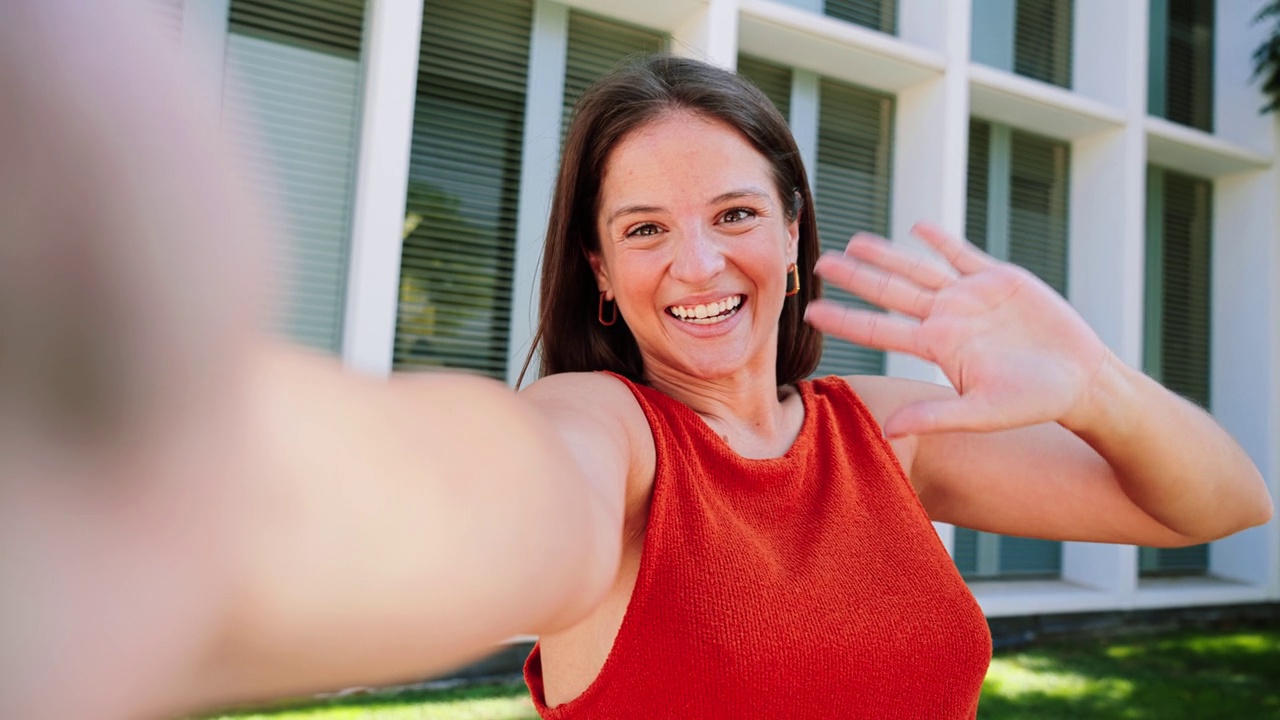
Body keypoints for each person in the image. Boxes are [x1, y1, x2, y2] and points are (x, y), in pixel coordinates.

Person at [0, 2, 1271, 719]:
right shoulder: (603, 440)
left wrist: (1097, 383)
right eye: (642, 231)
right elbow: (452, 495)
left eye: (730, 216)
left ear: (789, 227)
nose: (696, 265)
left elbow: (1221, 502)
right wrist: (111, 481)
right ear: (599, 272)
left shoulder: (883, 432)